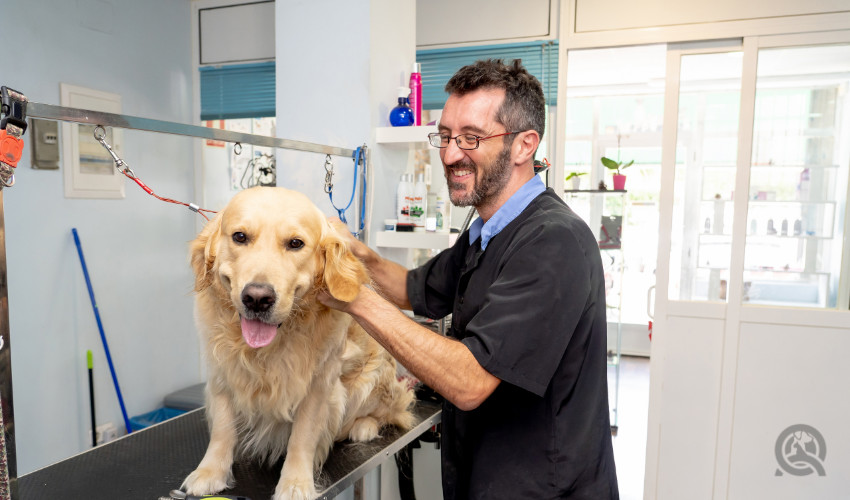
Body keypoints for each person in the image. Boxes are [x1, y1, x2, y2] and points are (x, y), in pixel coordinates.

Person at [318, 59, 618, 499]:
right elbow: (411, 288)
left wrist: (352, 297)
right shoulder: (484, 232)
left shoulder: (553, 242)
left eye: (470, 138)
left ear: (523, 145)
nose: (450, 154)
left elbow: (469, 382)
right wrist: (354, 253)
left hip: (543, 487)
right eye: (445, 136)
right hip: (487, 477)